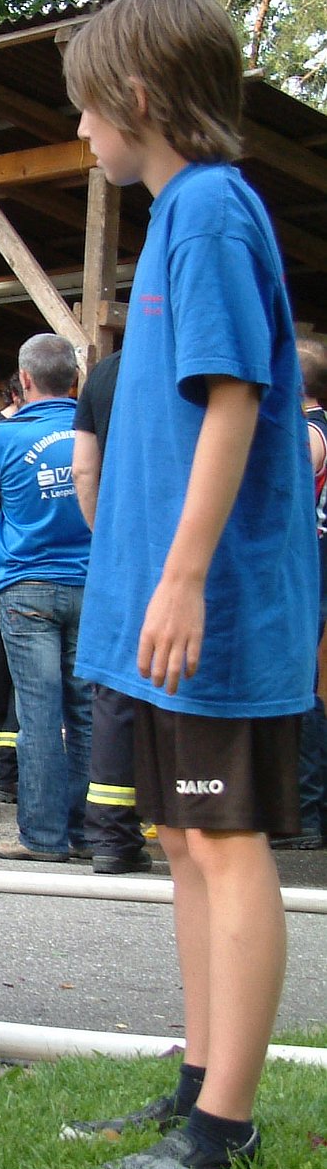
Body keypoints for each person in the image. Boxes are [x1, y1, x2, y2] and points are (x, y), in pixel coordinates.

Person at [62, 0, 316, 1169]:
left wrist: (184, 578)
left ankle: (226, 1125)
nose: (79, 132)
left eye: (86, 108)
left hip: (214, 604)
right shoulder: (177, 215)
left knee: (223, 839)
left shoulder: (212, 209)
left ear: (139, 97)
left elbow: (235, 400)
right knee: (179, 835)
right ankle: (196, 1086)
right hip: (163, 611)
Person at [0, 333, 93, 862]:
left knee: (38, 713)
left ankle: (42, 836)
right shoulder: (94, 429)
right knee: (86, 711)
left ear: (23, 380)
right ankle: (91, 832)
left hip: (26, 585)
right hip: (90, 583)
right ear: (75, 380)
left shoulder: (5, 436)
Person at [71, 348, 151, 874]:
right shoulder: (192, 360)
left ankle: (112, 838)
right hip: (185, 547)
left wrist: (106, 535)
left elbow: (83, 468)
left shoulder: (105, 374)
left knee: (114, 692)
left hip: (119, 553)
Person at [274, 336, 327, 850]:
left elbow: (285, 487)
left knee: (300, 692)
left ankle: (305, 814)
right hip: (312, 572)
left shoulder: (309, 433)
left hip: (309, 574)